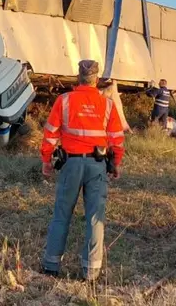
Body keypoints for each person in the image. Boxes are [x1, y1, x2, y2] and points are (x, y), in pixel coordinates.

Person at [39, 59, 125, 281]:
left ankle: (51, 266)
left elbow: (50, 134)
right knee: (95, 218)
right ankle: (91, 271)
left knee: (62, 215)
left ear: (79, 77)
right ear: (96, 79)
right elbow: (116, 138)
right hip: (97, 166)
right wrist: (116, 163)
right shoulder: (107, 104)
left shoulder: (64, 101)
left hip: (70, 165)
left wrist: (46, 160)